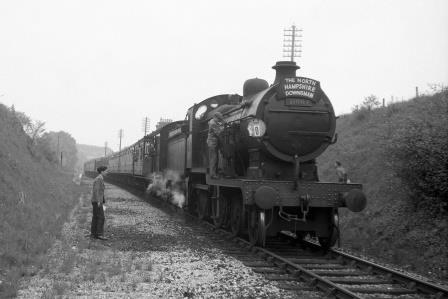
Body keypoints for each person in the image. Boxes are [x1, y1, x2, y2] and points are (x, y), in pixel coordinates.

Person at [91, 166, 108, 240]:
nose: (107, 172)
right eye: (106, 171)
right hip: (97, 201)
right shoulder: (99, 179)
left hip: (95, 200)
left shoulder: (99, 178)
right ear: (102, 171)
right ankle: (99, 234)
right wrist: (98, 201)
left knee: (95, 217)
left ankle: (93, 233)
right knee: (101, 217)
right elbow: (97, 190)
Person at [207, 112, 225, 179]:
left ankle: (217, 172)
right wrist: (223, 126)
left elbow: (221, 123)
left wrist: (222, 122)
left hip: (215, 141)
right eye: (219, 119)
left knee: (216, 157)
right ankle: (213, 174)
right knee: (214, 158)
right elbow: (219, 133)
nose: (220, 120)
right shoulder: (213, 123)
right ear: (215, 117)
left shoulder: (215, 121)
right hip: (212, 142)